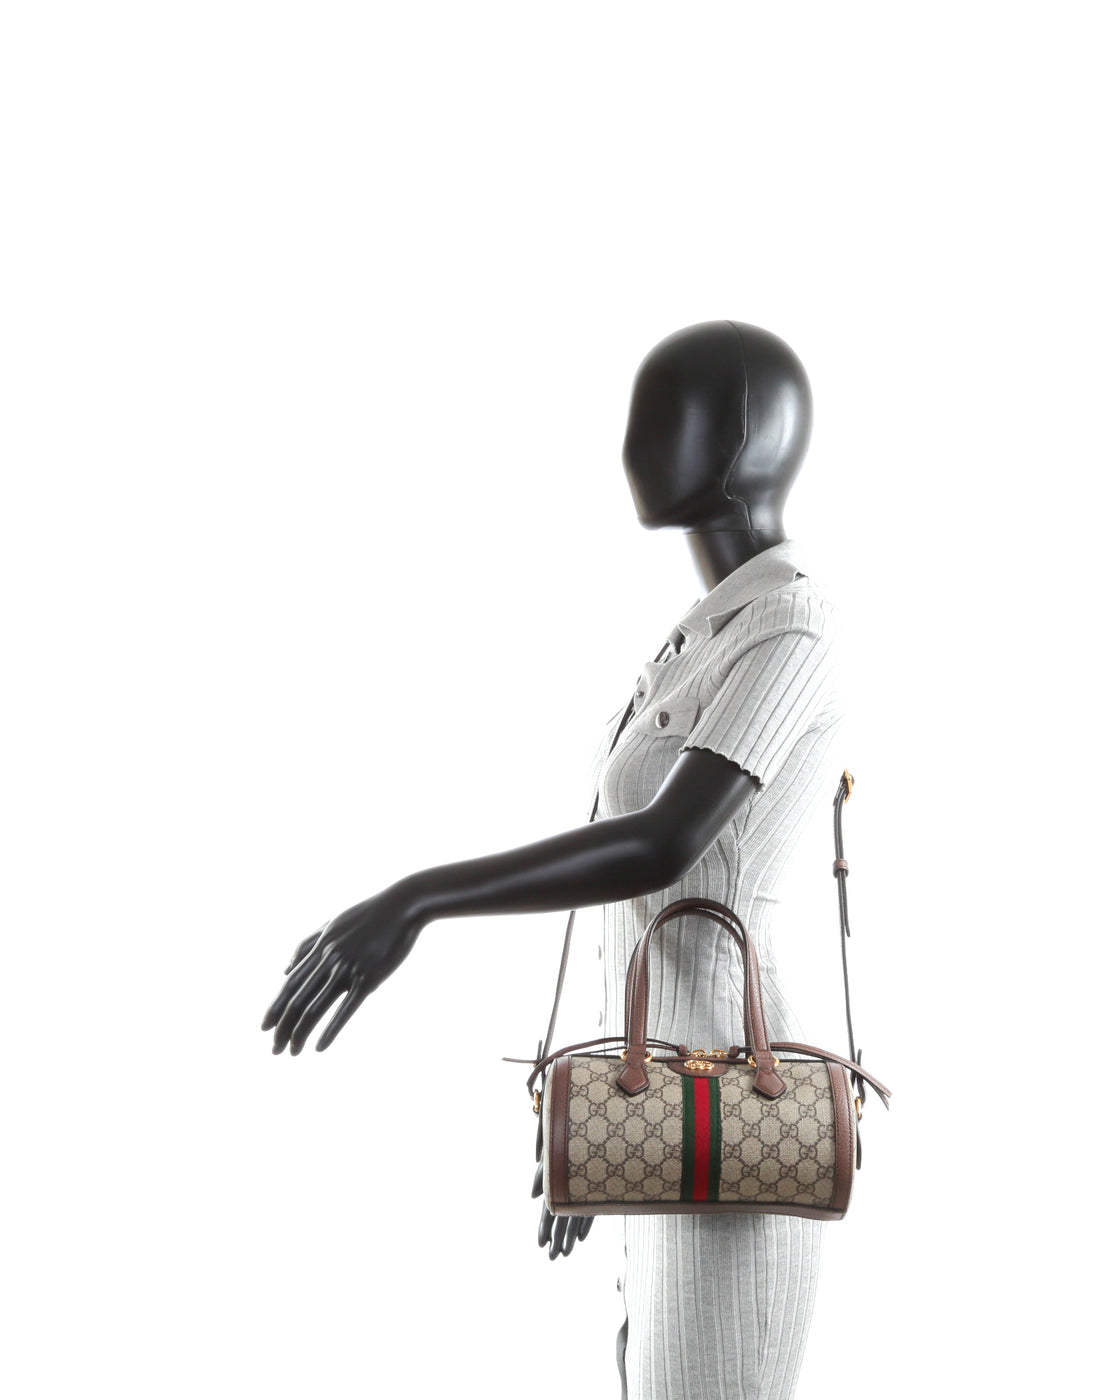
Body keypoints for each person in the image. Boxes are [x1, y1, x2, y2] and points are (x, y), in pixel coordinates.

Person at [262, 320, 845, 1400]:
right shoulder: (703, 635)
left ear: (741, 439)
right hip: (664, 1105)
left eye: (659, 417)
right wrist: (604, 1104)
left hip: (737, 1112)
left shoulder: (791, 625)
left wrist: (416, 898)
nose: (631, 446)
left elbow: (661, 844)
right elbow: (652, 902)